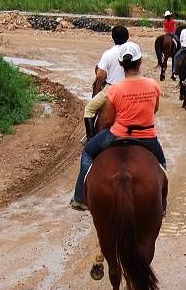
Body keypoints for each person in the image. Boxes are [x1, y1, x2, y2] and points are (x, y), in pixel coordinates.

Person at [70, 42, 167, 211]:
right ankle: (162, 205)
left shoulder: (115, 89)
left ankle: (80, 198)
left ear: (121, 64)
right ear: (140, 62)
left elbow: (107, 120)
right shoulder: (153, 84)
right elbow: (155, 109)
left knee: (87, 153)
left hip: (119, 134)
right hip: (148, 136)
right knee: (162, 163)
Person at [83, 25, 131, 140]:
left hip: (112, 89)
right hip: (130, 87)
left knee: (89, 109)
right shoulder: (131, 52)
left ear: (113, 37)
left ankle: (90, 140)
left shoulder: (108, 53)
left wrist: (98, 88)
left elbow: (100, 75)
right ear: (127, 37)